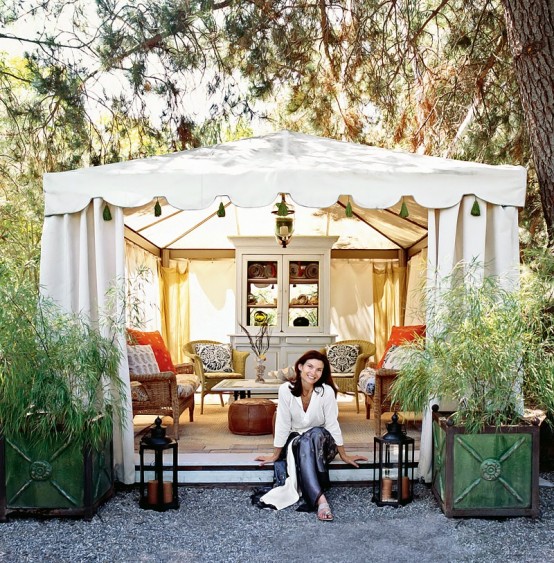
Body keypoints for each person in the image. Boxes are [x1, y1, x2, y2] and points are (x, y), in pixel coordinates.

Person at [254, 350, 367, 521]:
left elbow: (332, 424)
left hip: (322, 445)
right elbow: (283, 423)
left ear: (323, 373)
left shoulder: (326, 391)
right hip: (298, 443)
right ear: (300, 367)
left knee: (314, 433)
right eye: (310, 366)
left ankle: (316, 496)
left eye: (319, 370)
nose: (313, 373)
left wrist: (343, 454)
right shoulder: (286, 390)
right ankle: (321, 500)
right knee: (305, 439)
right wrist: (276, 454)